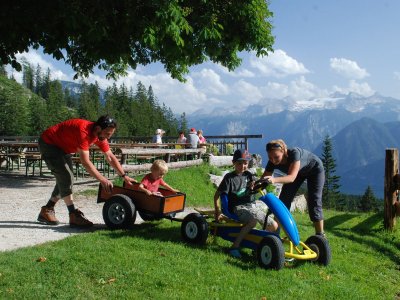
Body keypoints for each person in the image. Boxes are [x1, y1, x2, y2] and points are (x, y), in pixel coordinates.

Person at [37, 115, 137, 227]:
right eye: (107, 134)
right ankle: (73, 214)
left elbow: (110, 156)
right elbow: (85, 162)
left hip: (62, 148)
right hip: (49, 144)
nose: (108, 137)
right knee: (66, 177)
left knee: (66, 178)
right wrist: (102, 179)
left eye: (110, 134)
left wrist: (124, 176)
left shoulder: (100, 136)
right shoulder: (83, 132)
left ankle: (47, 210)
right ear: (98, 129)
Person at [213, 149, 278, 258]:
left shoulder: (249, 175)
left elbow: (255, 185)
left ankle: (261, 247)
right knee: (252, 222)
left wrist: (255, 184)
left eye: (245, 163)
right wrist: (217, 210)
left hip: (251, 207)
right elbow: (216, 196)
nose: (242, 166)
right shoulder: (229, 178)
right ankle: (234, 247)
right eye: (239, 163)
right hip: (237, 208)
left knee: (273, 226)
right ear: (233, 163)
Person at [261, 139, 326, 237]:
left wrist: (274, 180)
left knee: (314, 200)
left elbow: (291, 178)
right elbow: (264, 179)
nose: (273, 160)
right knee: (282, 202)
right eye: (270, 157)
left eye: (276, 157)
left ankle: (320, 235)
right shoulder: (272, 161)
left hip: (315, 170)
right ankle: (274, 235)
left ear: (284, 151)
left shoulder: (294, 154)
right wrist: (255, 184)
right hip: (297, 173)